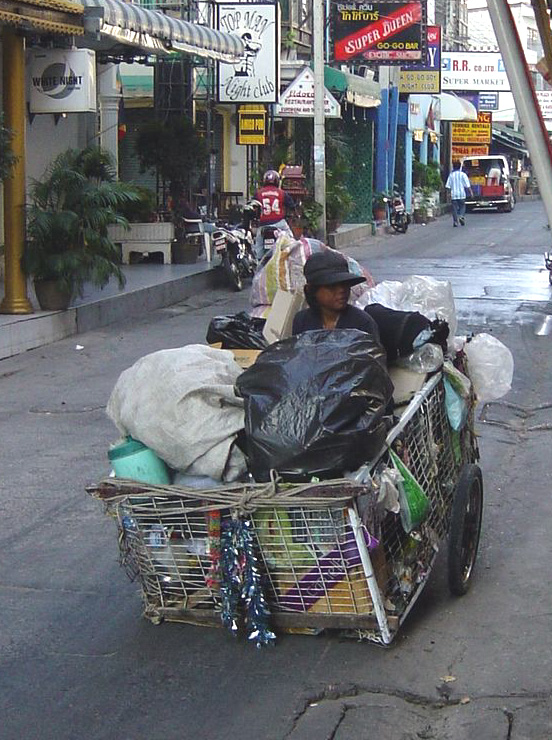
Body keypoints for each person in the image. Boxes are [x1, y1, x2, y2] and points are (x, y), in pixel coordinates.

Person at [292, 250, 380, 339]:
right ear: (311, 289)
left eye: (345, 284)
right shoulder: (302, 321)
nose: (342, 290)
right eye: (332, 286)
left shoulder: (362, 323)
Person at [254, 170, 295, 258]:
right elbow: (292, 206)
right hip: (279, 224)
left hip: (263, 225)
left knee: (258, 249)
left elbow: (253, 207)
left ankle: (258, 267)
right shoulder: (282, 193)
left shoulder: (258, 193)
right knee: (291, 242)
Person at [445, 160, 473, 227]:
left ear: (453, 167)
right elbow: (467, 185)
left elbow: (448, 186)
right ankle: (461, 216)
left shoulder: (451, 175)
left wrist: (448, 195)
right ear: (460, 166)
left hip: (454, 195)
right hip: (461, 194)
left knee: (454, 209)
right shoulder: (463, 174)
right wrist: (471, 192)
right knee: (462, 206)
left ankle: (455, 222)